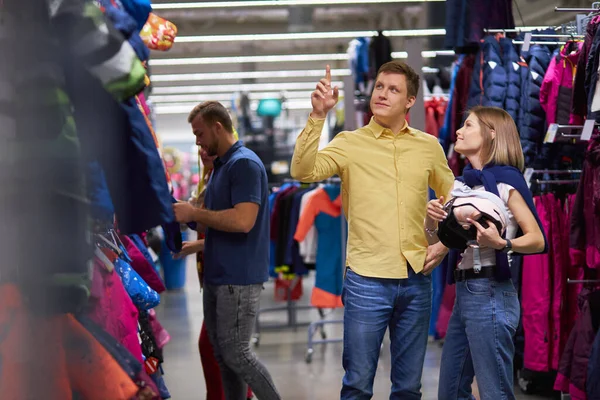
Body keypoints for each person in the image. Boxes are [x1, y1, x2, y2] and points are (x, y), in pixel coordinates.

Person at [290, 61, 455, 399]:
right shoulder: (349, 142)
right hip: (366, 279)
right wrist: (318, 116)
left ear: (410, 101)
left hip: (415, 279)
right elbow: (303, 171)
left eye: (393, 89)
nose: (382, 93)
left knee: (409, 387)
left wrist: (444, 243)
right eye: (380, 86)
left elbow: (454, 198)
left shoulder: (428, 146)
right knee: (357, 385)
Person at [425, 106, 547, 400]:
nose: (458, 131)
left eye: (468, 125)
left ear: (491, 133)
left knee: (495, 392)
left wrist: (503, 243)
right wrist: (432, 221)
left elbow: (537, 240)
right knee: (451, 392)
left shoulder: (508, 181)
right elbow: (441, 240)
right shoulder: (460, 186)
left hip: (491, 292)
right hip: (463, 293)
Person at [173, 101, 280, 400]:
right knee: (224, 357)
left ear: (217, 127)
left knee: (238, 355)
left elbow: (243, 221)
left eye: (199, 133)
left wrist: (193, 214)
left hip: (239, 276)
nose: (197, 141)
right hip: (219, 275)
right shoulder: (221, 167)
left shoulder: (243, 164)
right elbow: (215, 224)